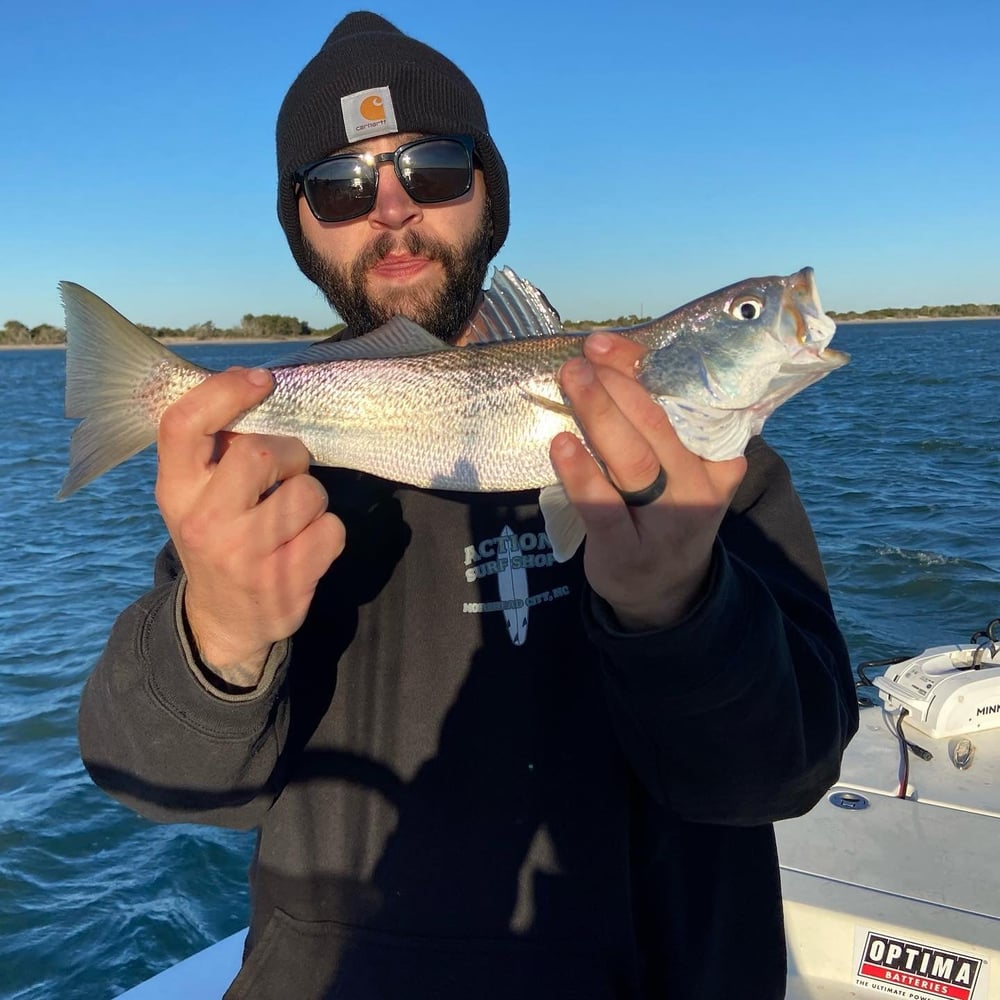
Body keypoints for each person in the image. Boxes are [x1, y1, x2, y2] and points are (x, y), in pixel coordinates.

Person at [78, 11, 858, 999]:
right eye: (340, 184)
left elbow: (779, 776)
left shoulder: (719, 471)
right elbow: (157, 781)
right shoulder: (269, 471)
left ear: (489, 192)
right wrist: (219, 635)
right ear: (301, 225)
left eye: (436, 168)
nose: (392, 207)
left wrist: (680, 607)